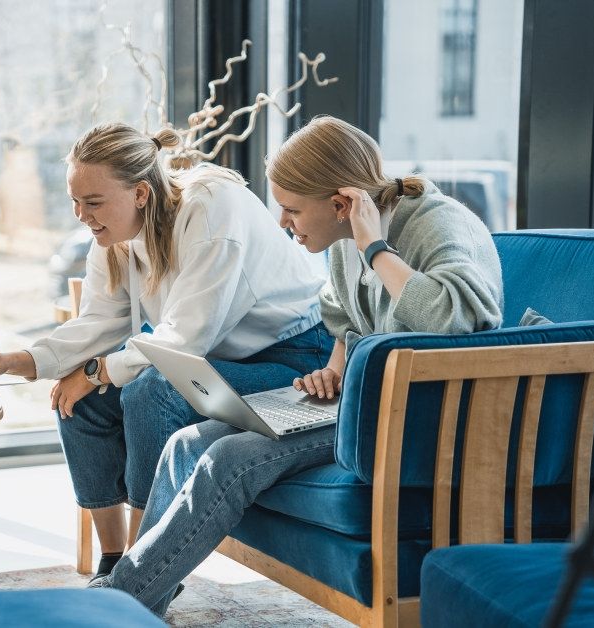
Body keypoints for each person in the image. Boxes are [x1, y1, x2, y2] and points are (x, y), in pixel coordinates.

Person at [88, 115, 504, 616]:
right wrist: (333, 368)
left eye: (291, 209)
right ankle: (147, 594)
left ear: (341, 203)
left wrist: (375, 248)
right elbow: (346, 320)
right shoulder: (344, 241)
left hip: (419, 412)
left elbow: (453, 321)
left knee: (230, 460)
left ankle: (117, 604)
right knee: (186, 444)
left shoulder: (436, 222)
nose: (283, 223)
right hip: (363, 401)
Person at [0, 122, 330, 581]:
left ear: (142, 194)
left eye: (93, 202)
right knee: (80, 401)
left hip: (294, 359)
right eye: (74, 201)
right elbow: (98, 321)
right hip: (217, 361)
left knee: (152, 390)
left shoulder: (213, 212)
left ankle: (140, 571)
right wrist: (17, 359)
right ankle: (111, 561)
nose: (81, 215)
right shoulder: (113, 237)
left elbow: (184, 341)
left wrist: (96, 370)